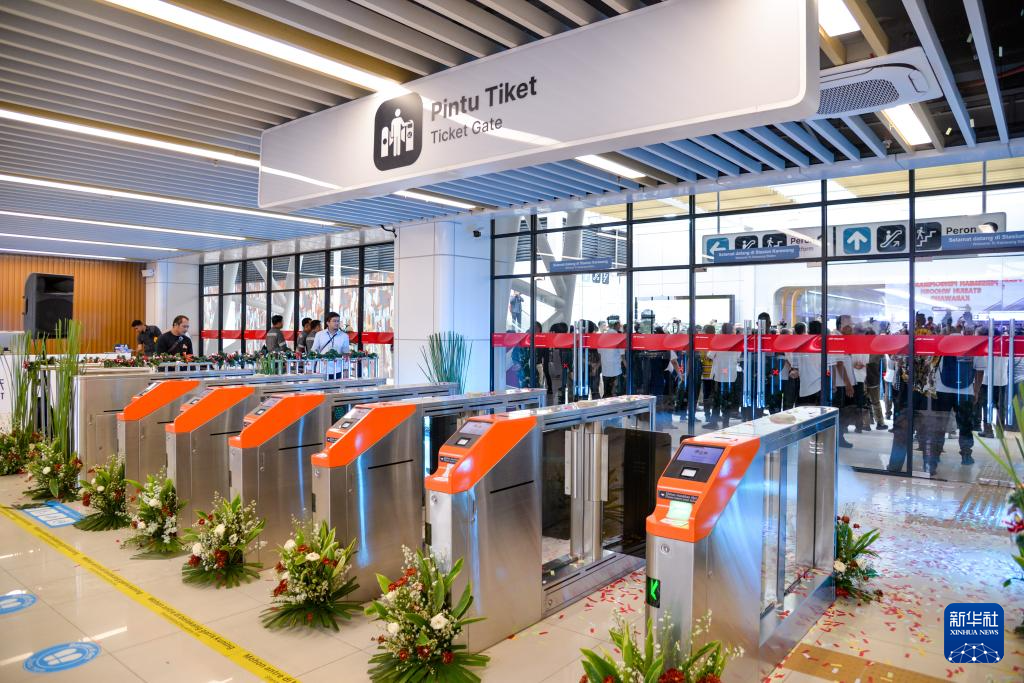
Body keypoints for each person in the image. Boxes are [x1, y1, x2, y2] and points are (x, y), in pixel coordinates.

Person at [311, 312, 351, 379]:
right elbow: (314, 351)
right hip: (322, 369)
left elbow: (346, 354)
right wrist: (310, 368)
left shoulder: (344, 336)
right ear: (328, 323)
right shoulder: (319, 335)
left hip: (337, 370)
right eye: (334, 321)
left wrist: (346, 369)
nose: (337, 323)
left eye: (338, 321)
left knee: (337, 386)